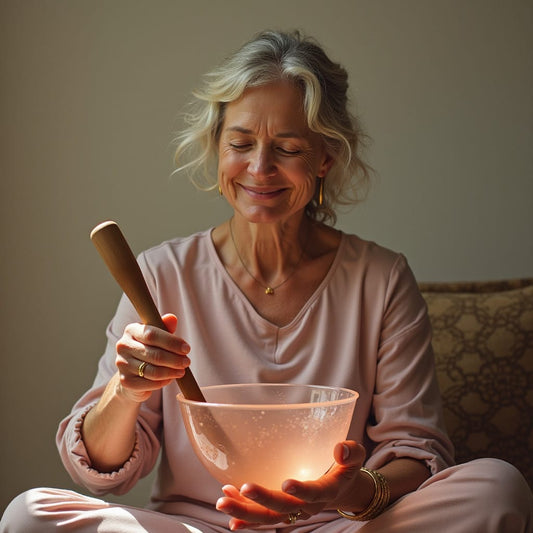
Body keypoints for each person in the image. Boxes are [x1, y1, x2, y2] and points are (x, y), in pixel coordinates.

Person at [2, 30, 531, 533]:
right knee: (30, 515)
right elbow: (101, 466)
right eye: (241, 143)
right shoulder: (161, 274)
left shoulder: (381, 278)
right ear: (218, 148)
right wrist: (126, 389)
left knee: (496, 489)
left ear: (325, 157)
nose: (260, 167)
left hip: (337, 525)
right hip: (198, 524)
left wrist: (340, 494)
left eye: (289, 148)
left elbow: (414, 453)